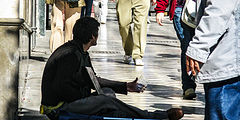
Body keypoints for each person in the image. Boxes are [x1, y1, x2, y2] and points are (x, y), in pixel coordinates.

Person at [40, 17, 183, 120]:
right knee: (106, 101)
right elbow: (61, 87)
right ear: (92, 36)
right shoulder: (70, 55)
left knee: (107, 94)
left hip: (73, 100)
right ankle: (156, 116)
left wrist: (125, 86)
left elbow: (93, 80)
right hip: (58, 108)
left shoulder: (81, 52)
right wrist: (86, 98)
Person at [155, 0, 204, 100]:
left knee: (203, 47)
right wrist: (160, 9)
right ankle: (189, 86)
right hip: (180, 11)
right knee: (187, 46)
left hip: (203, 12)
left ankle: (206, 79)